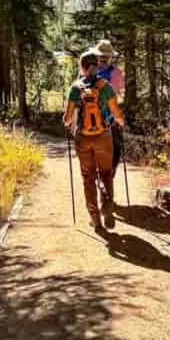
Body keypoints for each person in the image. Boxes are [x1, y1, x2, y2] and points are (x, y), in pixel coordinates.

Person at [63, 50, 126, 231]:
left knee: (88, 177)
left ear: (82, 67)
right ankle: (107, 208)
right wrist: (121, 124)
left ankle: (95, 219)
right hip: (103, 136)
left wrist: (66, 122)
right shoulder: (106, 87)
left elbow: (68, 118)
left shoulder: (76, 88)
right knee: (106, 173)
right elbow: (117, 115)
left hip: (83, 138)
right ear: (97, 66)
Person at [93, 40, 125, 171]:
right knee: (117, 147)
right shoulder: (115, 73)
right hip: (109, 116)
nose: (104, 59)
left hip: (91, 115)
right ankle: (109, 174)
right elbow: (119, 96)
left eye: (105, 56)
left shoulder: (87, 71)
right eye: (102, 56)